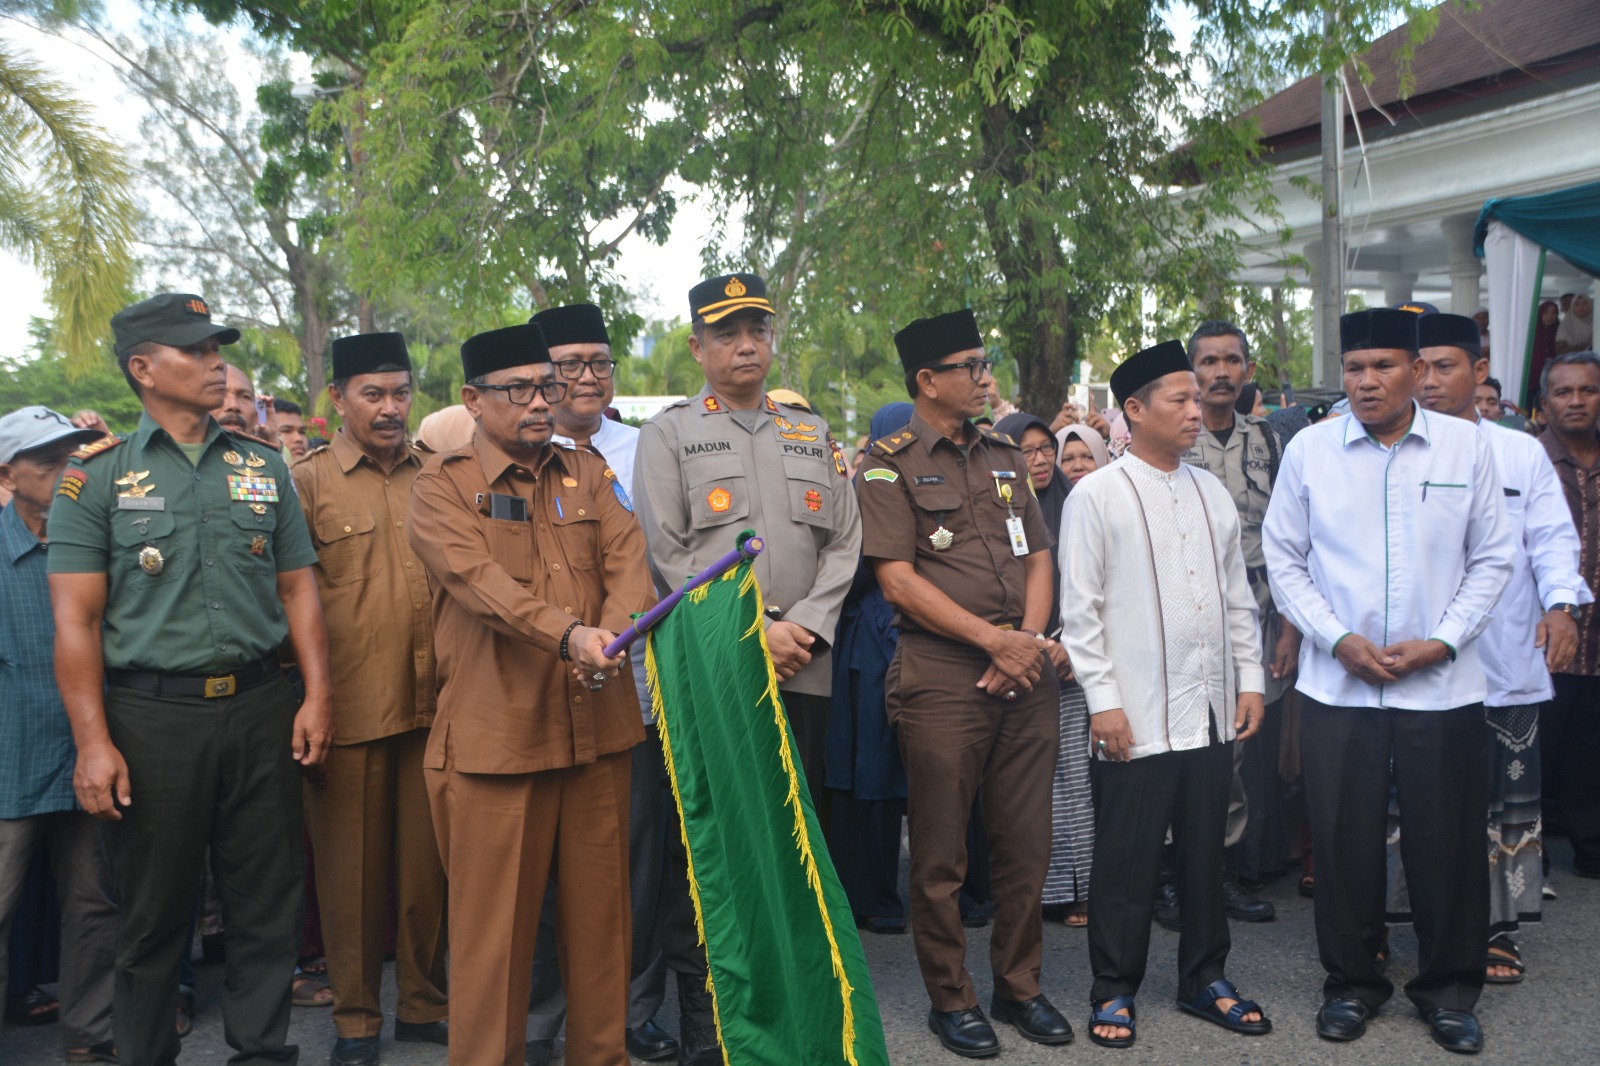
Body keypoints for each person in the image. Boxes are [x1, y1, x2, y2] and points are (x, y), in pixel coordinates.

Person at [47, 292, 334, 1066]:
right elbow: (73, 622)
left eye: (216, 350)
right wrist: (92, 745)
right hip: (152, 717)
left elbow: (298, 587)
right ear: (144, 369)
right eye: (196, 351)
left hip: (259, 708)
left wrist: (316, 696)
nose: (216, 364)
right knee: (152, 916)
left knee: (266, 903)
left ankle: (262, 1051)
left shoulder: (262, 466)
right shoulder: (96, 478)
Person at [1262, 307, 1513, 1055]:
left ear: (1417, 371)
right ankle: (1352, 985)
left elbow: (1493, 558)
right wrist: (1335, 639)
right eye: (1354, 369)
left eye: (1383, 367)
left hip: (1443, 685)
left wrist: (1442, 641)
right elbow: (1285, 559)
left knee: (1449, 841)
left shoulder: (1468, 447)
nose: (1366, 382)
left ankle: (1448, 990)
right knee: (1343, 841)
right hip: (1339, 686)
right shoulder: (1310, 450)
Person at [407, 321, 654, 1066]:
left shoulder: (588, 473)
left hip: (596, 733)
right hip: (497, 742)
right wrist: (572, 637)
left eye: (546, 385)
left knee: (604, 933)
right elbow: (480, 588)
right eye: (520, 389)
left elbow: (629, 565)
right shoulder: (442, 485)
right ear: (473, 401)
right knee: (493, 945)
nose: (542, 401)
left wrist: (609, 638)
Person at [632, 274, 862, 1064]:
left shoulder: (811, 431)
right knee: (716, 853)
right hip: (719, 672)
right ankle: (715, 1035)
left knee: (798, 846)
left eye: (757, 330)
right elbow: (669, 556)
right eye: (727, 333)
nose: (746, 346)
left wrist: (803, 626)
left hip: (804, 666)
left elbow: (844, 543)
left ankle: (800, 1022)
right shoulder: (668, 435)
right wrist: (752, 629)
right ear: (697, 347)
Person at [856, 309, 1072, 1058]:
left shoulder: (1007, 454)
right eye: (972, 367)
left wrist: (1029, 643)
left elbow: (1039, 555)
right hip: (944, 675)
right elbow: (897, 582)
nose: (986, 379)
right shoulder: (886, 464)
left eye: (986, 364)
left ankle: (1020, 987)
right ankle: (952, 999)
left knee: (1025, 843)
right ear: (928, 381)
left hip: (1025, 669)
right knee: (943, 853)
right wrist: (992, 641)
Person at [1059, 340, 1270, 1050]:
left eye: (1195, 397)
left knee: (1206, 853)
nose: (1196, 408)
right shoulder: (1096, 494)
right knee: (1127, 858)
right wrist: (1104, 702)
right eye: (1177, 399)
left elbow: (1237, 599)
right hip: (1135, 713)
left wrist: (1250, 681)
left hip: (1208, 708)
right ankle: (1114, 987)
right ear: (1134, 410)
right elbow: (1080, 611)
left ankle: (1204, 978)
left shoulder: (1210, 491)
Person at [1402, 313, 1588, 984]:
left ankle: (1499, 929)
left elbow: (1553, 539)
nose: (1428, 381)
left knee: (1506, 801)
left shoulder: (1518, 453)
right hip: (1417, 662)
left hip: (1504, 658)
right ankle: (1411, 924)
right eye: (1418, 368)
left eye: (1445, 366)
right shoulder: (1394, 448)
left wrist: (1562, 606)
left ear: (1479, 372)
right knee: (1416, 799)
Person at [522, 302, 676, 1065]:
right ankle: (548, 1014)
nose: (588, 378)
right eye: (570, 365)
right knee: (552, 867)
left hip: (634, 682)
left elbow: (660, 562)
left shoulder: (647, 449)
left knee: (634, 857)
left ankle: (633, 1007)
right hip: (538, 683)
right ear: (540, 379)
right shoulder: (514, 454)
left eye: (601, 363)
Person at [290, 332, 448, 1064]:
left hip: (436, 706)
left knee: (429, 870)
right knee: (350, 880)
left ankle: (423, 1004)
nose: (390, 409)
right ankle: (355, 1019)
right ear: (339, 400)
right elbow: (291, 600)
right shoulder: (307, 483)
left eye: (400, 393)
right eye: (372, 395)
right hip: (348, 710)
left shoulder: (441, 474)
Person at [0, 406, 118, 1063]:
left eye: (72, 455)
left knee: (94, 905)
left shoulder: (99, 541)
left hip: (92, 753)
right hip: (9, 759)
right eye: (46, 461)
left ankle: (90, 1039)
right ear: (7, 475)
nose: (65, 469)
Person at [1175, 320, 1293, 926]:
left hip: (1256, 617)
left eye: (1232, 361)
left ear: (1247, 370)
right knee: (1179, 742)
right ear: (1191, 370)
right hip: (1185, 619)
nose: (1221, 373)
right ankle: (1177, 878)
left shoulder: (1271, 442)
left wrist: (1289, 623)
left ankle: (1221, 875)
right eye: (1209, 361)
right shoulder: (1172, 438)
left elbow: (1293, 536)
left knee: (1239, 750)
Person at [994, 411, 1093, 929]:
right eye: (1026, 451)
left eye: (1044, 449)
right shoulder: (998, 506)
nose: (1039, 460)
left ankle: (1082, 890)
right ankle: (1042, 892)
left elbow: (1095, 585)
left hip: (1073, 663)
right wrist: (1029, 645)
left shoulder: (1079, 504)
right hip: (1014, 661)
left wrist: (1070, 647)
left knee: (1077, 782)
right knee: (1031, 788)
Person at [826, 402, 914, 938]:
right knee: (865, 773)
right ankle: (866, 894)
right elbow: (852, 569)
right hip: (869, 644)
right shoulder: (864, 489)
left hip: (903, 636)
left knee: (888, 775)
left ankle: (882, 891)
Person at [1538, 348, 1600, 879]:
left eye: (1587, 390)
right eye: (1564, 391)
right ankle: (1523, 863)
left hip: (1599, 643)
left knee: (1592, 752)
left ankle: (1592, 852)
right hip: (1541, 642)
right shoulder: (1528, 461)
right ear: (1544, 403)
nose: (1576, 401)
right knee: (1533, 753)